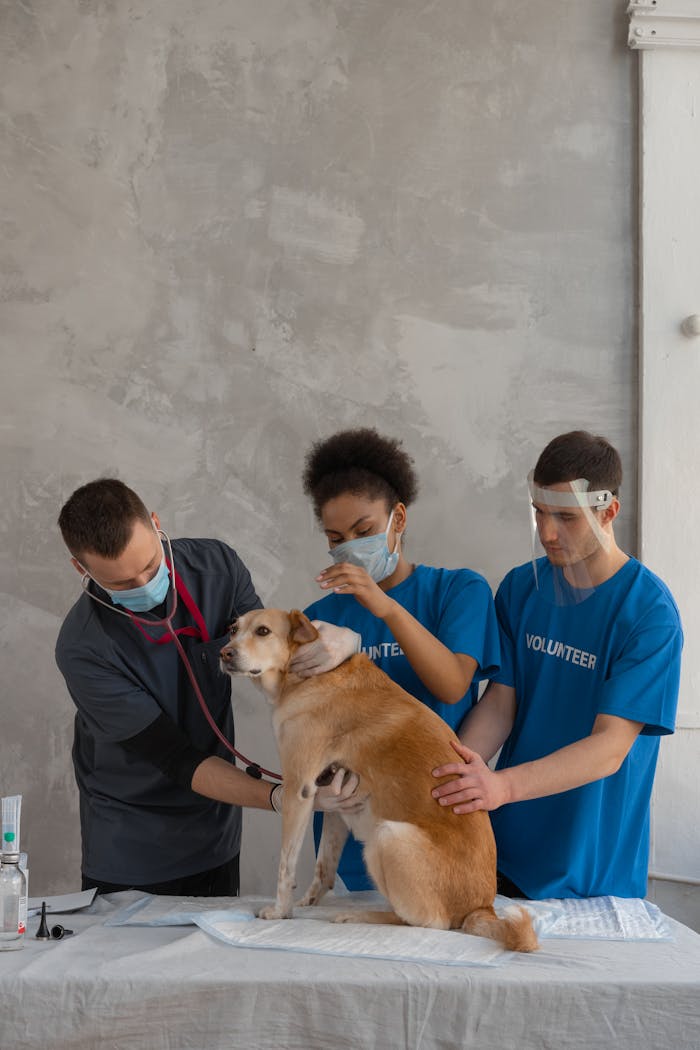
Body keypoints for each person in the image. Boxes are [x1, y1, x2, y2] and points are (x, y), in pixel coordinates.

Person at [55, 478, 359, 897]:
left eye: (150, 565)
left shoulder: (216, 568)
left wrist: (344, 645)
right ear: (81, 570)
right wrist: (283, 797)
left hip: (214, 833)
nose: (144, 584)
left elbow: (268, 658)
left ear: (157, 525)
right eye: (123, 584)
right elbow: (176, 758)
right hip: (131, 844)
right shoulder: (84, 647)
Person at [432, 431, 683, 900]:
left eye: (566, 517)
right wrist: (450, 774)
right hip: (503, 857)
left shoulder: (649, 615)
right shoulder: (520, 589)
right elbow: (501, 703)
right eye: (540, 513)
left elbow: (610, 747)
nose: (547, 533)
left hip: (590, 875)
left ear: (609, 512)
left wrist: (501, 787)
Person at [299, 427, 501, 889]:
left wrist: (385, 607)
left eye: (364, 531)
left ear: (399, 518)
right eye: (335, 537)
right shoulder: (318, 620)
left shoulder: (458, 591)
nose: (349, 547)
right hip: (353, 843)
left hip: (436, 826)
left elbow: (451, 685)